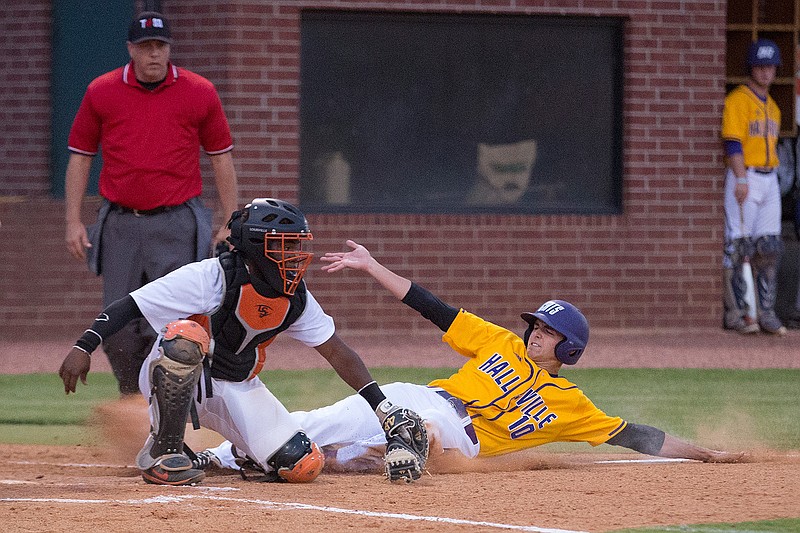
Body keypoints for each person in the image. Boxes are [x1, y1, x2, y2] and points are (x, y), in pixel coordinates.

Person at [197, 239, 744, 475]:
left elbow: (637, 436)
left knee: (422, 430)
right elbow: (433, 307)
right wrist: (371, 266)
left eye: (547, 331)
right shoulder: (498, 342)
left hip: (459, 435)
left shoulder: (570, 402)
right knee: (307, 423)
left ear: (568, 350)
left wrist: (705, 454)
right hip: (421, 395)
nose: (534, 332)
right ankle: (219, 458)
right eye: (535, 324)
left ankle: (376, 456)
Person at [58, 200, 427, 486]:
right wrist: (84, 346)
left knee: (302, 466)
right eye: (283, 245)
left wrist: (382, 407)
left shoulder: (295, 296)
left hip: (238, 384)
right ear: (254, 247)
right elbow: (130, 305)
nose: (294, 255)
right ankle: (163, 451)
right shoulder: (210, 277)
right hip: (185, 374)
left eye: (295, 245)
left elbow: (336, 351)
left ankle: (238, 453)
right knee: (185, 339)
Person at [64, 11, 240, 396]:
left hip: (177, 219)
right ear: (130, 50)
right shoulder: (101, 91)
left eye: (160, 46)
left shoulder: (200, 91)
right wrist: (73, 220)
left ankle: (168, 405)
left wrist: (231, 218)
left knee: (173, 317)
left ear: (169, 49)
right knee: (119, 320)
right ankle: (132, 394)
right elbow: (80, 157)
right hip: (121, 221)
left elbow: (221, 156)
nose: (154, 55)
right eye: (145, 47)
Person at [720, 38, 786, 336]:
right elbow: (732, 141)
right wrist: (741, 177)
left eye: (770, 66)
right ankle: (741, 314)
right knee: (740, 245)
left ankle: (766, 313)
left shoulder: (773, 107)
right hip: (745, 175)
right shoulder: (738, 99)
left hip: (769, 177)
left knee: (768, 246)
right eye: (760, 66)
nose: (765, 72)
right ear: (751, 68)